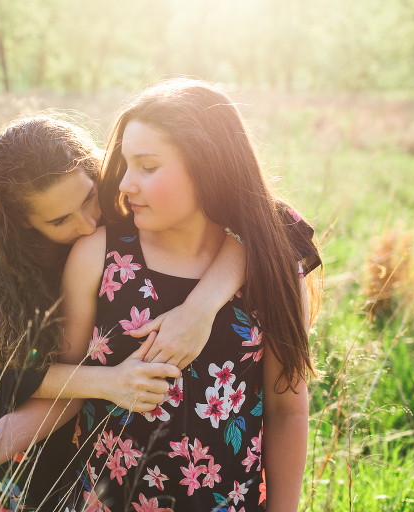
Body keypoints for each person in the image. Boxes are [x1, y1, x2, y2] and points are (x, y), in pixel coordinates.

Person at [0, 114, 248, 510]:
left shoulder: (125, 193)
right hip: (13, 425)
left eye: (87, 198)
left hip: (101, 431)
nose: (87, 224)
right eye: (60, 220)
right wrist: (109, 382)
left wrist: (200, 308)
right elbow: (10, 367)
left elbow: (276, 230)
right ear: (24, 226)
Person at [58, 78, 322, 512]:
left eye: (148, 166)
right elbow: (61, 388)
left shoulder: (272, 270)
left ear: (207, 166)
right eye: (125, 164)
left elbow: (286, 411)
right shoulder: (100, 255)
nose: (125, 184)